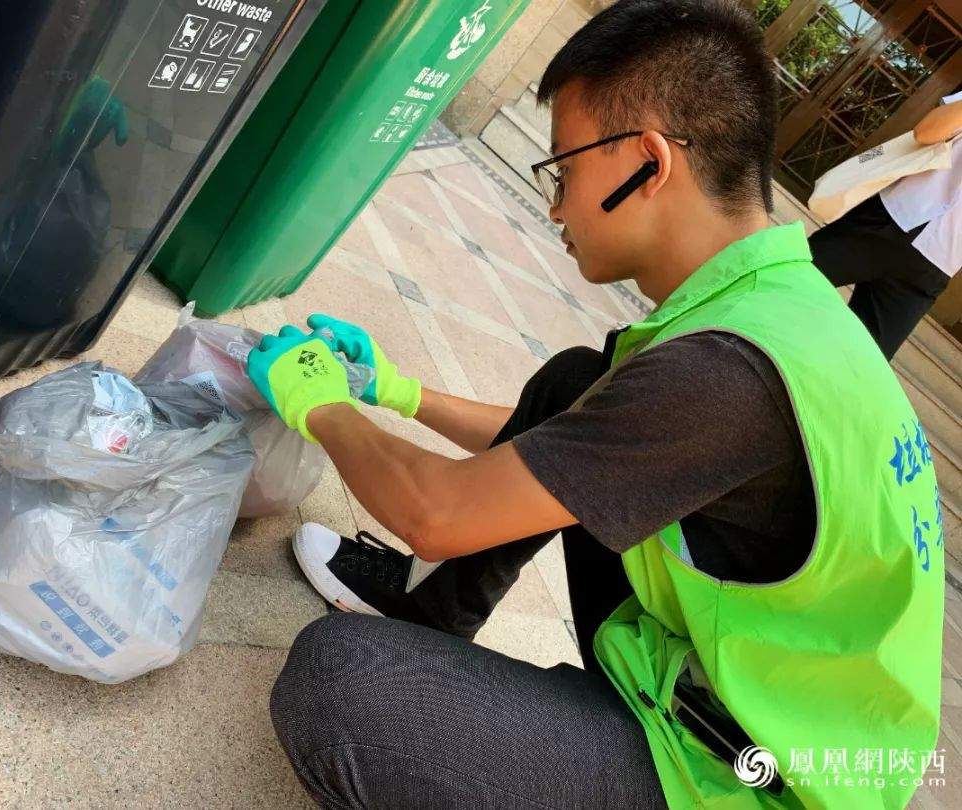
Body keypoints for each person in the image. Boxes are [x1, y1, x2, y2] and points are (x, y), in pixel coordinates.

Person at [246, 1, 945, 807]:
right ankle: (425, 615)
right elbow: (579, 445)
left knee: (339, 685)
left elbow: (433, 512)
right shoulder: (781, 310)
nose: (555, 208)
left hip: (751, 780)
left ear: (648, 163)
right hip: (728, 689)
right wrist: (391, 392)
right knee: (578, 380)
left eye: (565, 172)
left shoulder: (730, 374)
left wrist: (321, 405)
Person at [809, 91, 962, 359]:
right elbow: (925, 133)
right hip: (886, 221)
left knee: (859, 365)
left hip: (933, 266)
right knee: (775, 279)